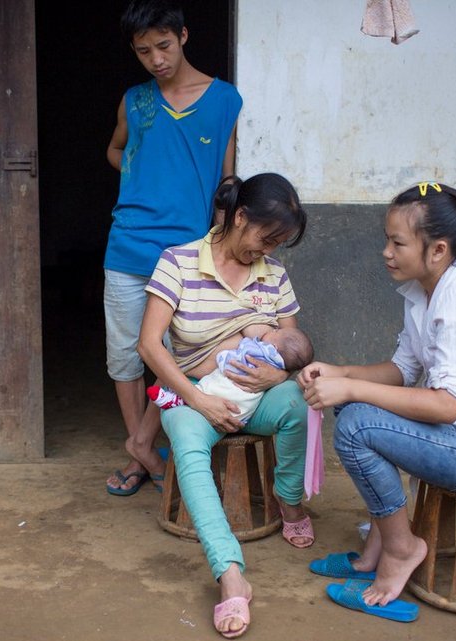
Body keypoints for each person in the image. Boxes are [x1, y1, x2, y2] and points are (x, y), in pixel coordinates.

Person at [300, 181, 456, 618]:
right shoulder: (424, 292)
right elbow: (401, 371)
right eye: (387, 240)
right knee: (354, 409)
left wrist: (352, 389)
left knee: (358, 423)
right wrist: (340, 373)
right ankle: (375, 550)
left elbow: (447, 404)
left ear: (437, 250)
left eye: (397, 242)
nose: (386, 252)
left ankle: (400, 548)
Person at [139, 173, 311, 638]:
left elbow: (289, 343)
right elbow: (149, 345)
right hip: (195, 390)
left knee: (297, 403)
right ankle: (230, 573)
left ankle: (289, 500)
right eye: (265, 237)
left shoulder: (273, 275)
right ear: (239, 217)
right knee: (189, 449)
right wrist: (198, 398)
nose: (268, 250)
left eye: (279, 243)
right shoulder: (178, 262)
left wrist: (277, 375)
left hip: (257, 395)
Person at [103, 0, 243, 496]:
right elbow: (115, 148)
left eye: (163, 46)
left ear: (183, 36)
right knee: (124, 356)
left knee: (177, 353)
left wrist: (225, 241)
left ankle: (142, 443)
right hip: (127, 246)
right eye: (144, 52)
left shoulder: (224, 98)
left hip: (186, 252)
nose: (156, 59)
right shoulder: (135, 101)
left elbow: (227, 181)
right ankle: (141, 454)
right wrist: (139, 176)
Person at [147, 325, 314, 423]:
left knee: (207, 389)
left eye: (276, 331)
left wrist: (223, 356)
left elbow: (236, 355)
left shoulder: (261, 350)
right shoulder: (279, 356)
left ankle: (176, 400)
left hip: (225, 388)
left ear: (274, 348)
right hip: (244, 409)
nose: (274, 329)